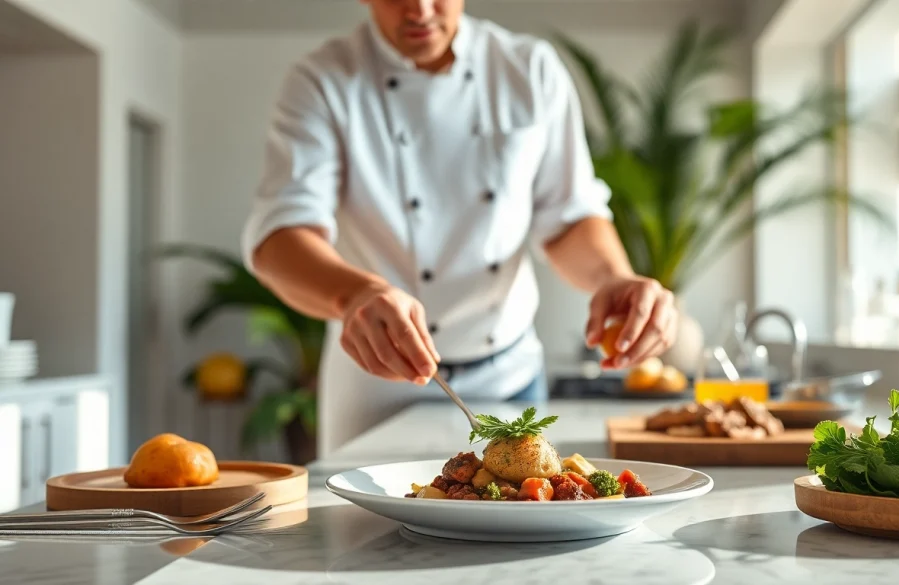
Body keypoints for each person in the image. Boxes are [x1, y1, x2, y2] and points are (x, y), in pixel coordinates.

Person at [241, 0, 679, 454]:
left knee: (525, 514)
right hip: (378, 383)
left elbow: (568, 217)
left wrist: (614, 278)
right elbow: (282, 235)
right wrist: (354, 294)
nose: (421, 9)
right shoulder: (322, 80)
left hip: (511, 380)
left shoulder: (529, 68)